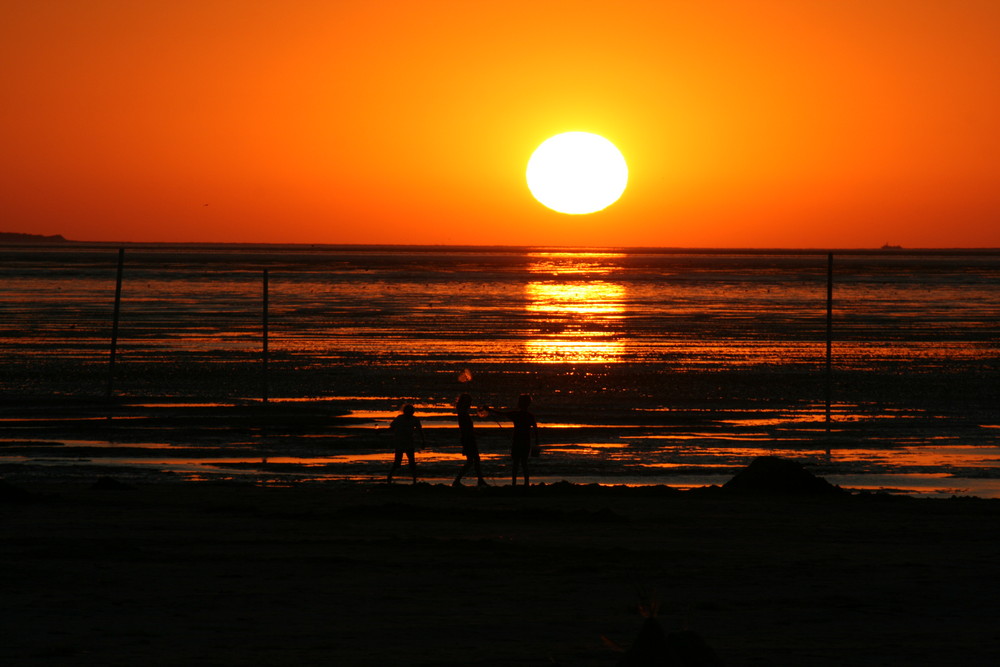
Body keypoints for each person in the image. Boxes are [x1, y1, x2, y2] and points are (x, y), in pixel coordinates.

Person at [492, 394, 539, 487]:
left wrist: (489, 410)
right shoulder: (530, 416)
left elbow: (501, 413)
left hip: (517, 441)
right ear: (528, 404)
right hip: (526, 441)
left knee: (516, 463)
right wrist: (537, 441)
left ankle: (514, 483)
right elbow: (535, 430)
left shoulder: (516, 414)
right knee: (524, 463)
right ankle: (526, 483)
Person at [453, 393, 487, 487]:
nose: (469, 404)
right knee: (472, 461)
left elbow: (468, 428)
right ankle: (457, 481)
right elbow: (466, 429)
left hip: (468, 438)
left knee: (474, 460)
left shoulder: (462, 413)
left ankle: (480, 480)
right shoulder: (463, 414)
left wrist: (477, 433)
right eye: (468, 402)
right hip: (468, 439)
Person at [386, 404, 424, 484]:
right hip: (400, 442)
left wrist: (423, 441)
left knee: (411, 462)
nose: (410, 413)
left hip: (409, 442)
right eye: (409, 411)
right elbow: (392, 428)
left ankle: (414, 480)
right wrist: (381, 431)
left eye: (411, 411)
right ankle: (389, 477)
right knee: (397, 462)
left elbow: (420, 431)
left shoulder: (414, 419)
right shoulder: (399, 418)